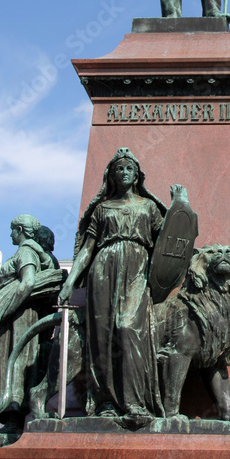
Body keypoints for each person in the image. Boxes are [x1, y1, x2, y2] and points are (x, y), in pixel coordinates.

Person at [59, 147, 166, 423]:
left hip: (137, 267)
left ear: (137, 174)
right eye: (119, 168)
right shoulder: (103, 209)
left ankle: (135, 401)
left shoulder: (148, 207)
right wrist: (70, 281)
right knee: (103, 336)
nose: (124, 172)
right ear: (112, 175)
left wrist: (181, 205)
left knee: (128, 327)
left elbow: (169, 241)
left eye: (129, 168)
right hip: (103, 268)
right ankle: (106, 400)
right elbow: (88, 248)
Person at [0, 215, 63, 433]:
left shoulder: (26, 251)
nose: (10, 234)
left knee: (13, 363)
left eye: (13, 230)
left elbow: (28, 282)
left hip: (17, 317)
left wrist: (2, 308)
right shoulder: (29, 251)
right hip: (12, 318)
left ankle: (12, 418)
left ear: (21, 230)